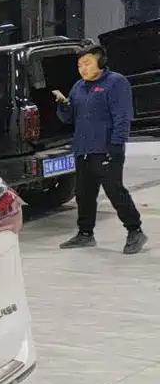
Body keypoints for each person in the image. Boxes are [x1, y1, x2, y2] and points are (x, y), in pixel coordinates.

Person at [52, 44, 147, 254]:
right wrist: (63, 105)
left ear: (101, 62)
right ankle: (85, 234)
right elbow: (68, 119)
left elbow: (123, 117)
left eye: (87, 63)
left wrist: (116, 146)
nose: (82, 69)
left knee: (115, 192)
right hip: (83, 149)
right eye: (79, 65)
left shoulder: (116, 83)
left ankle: (135, 230)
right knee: (83, 194)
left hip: (106, 150)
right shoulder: (78, 87)